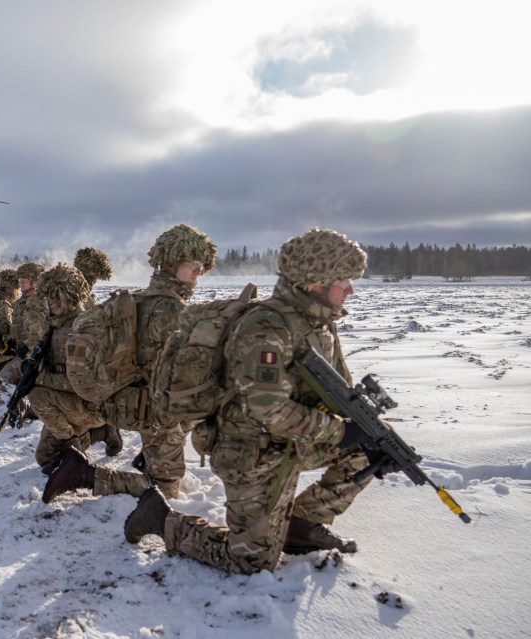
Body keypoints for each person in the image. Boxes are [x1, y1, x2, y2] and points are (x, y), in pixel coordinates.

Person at [123, 227, 373, 574]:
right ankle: (161, 519)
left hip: (291, 441)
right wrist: (339, 432)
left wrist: (362, 427)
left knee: (371, 449)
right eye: (343, 280)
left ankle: (298, 527)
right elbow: (267, 408)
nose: (350, 290)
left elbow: (337, 391)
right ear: (318, 280)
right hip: (251, 453)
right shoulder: (266, 328)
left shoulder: (320, 325)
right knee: (250, 561)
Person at [43, 224, 218, 502]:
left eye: (202, 266)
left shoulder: (139, 299)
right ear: (172, 263)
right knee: (164, 491)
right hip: (157, 413)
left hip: (132, 405)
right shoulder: (169, 311)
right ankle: (86, 474)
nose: (198, 271)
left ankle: (147, 460)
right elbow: (177, 378)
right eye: (193, 264)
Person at [27, 264, 108, 471]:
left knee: (36, 395)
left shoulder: (81, 329)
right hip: (67, 399)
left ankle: (76, 445)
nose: (51, 302)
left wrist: (40, 379)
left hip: (89, 404)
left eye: (56, 296)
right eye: (48, 296)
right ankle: (97, 433)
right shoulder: (57, 324)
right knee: (45, 457)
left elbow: (84, 383)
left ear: (71, 296)